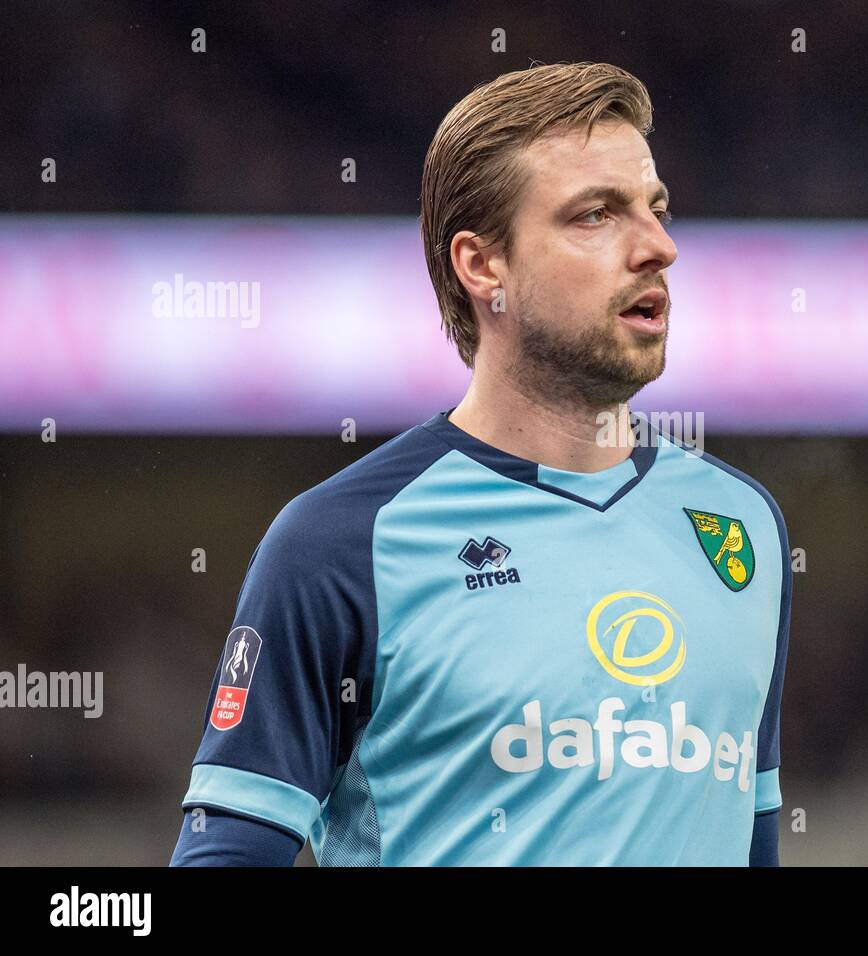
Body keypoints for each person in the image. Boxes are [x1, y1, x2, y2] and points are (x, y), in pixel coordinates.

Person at [170, 61, 791, 866]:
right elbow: (227, 853)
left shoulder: (745, 529)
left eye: (657, 208)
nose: (658, 247)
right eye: (596, 215)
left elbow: (753, 847)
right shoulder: (339, 543)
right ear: (483, 267)